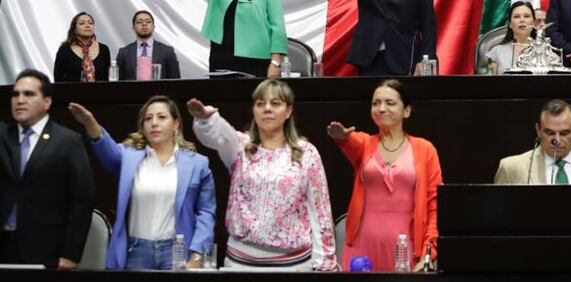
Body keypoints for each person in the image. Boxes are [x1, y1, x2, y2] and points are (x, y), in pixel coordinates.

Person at [188, 80, 338, 270]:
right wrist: (207, 119)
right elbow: (217, 134)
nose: (267, 109)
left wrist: (325, 263)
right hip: (240, 265)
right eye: (260, 103)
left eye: (275, 103)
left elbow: (320, 211)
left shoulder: (307, 152)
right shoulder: (240, 146)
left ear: (289, 111)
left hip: (293, 267)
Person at [67, 96, 215, 269]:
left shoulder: (198, 164)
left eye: (161, 117)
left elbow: (206, 213)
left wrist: (197, 255)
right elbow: (107, 151)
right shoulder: (128, 157)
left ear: (176, 124)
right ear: (142, 126)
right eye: (148, 118)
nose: (154, 123)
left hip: (177, 250)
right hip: (136, 250)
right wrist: (90, 124)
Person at [327, 79, 442, 271]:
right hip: (362, 244)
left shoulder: (425, 149)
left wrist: (429, 252)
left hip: (406, 247)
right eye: (375, 103)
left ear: (406, 111)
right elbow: (351, 143)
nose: (381, 108)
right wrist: (343, 139)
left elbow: (434, 206)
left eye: (390, 103)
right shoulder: (365, 144)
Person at [0, 70, 95, 268]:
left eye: (29, 94)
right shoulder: (2, 136)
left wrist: (71, 254)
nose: (20, 100)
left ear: (47, 102)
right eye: (15, 94)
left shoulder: (68, 141)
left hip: (46, 251)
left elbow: (82, 202)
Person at [494, 99, 571, 185]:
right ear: (538, 130)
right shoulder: (511, 168)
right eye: (550, 133)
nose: (557, 140)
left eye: (564, 133)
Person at [115, 10, 182, 80]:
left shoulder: (167, 51)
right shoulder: (124, 52)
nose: (144, 24)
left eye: (148, 21)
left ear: (153, 27)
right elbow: (118, 81)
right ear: (133, 28)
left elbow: (175, 81)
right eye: (139, 22)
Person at [53, 11, 111, 82]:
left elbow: (108, 78)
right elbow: (58, 79)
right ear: (75, 29)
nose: (87, 25)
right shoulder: (64, 50)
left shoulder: (104, 49)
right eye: (82, 23)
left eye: (90, 23)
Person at [486, 1, 537, 74]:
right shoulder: (496, 52)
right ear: (510, 24)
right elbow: (488, 82)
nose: (522, 20)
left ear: (534, 22)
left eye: (527, 16)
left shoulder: (544, 50)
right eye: (516, 16)